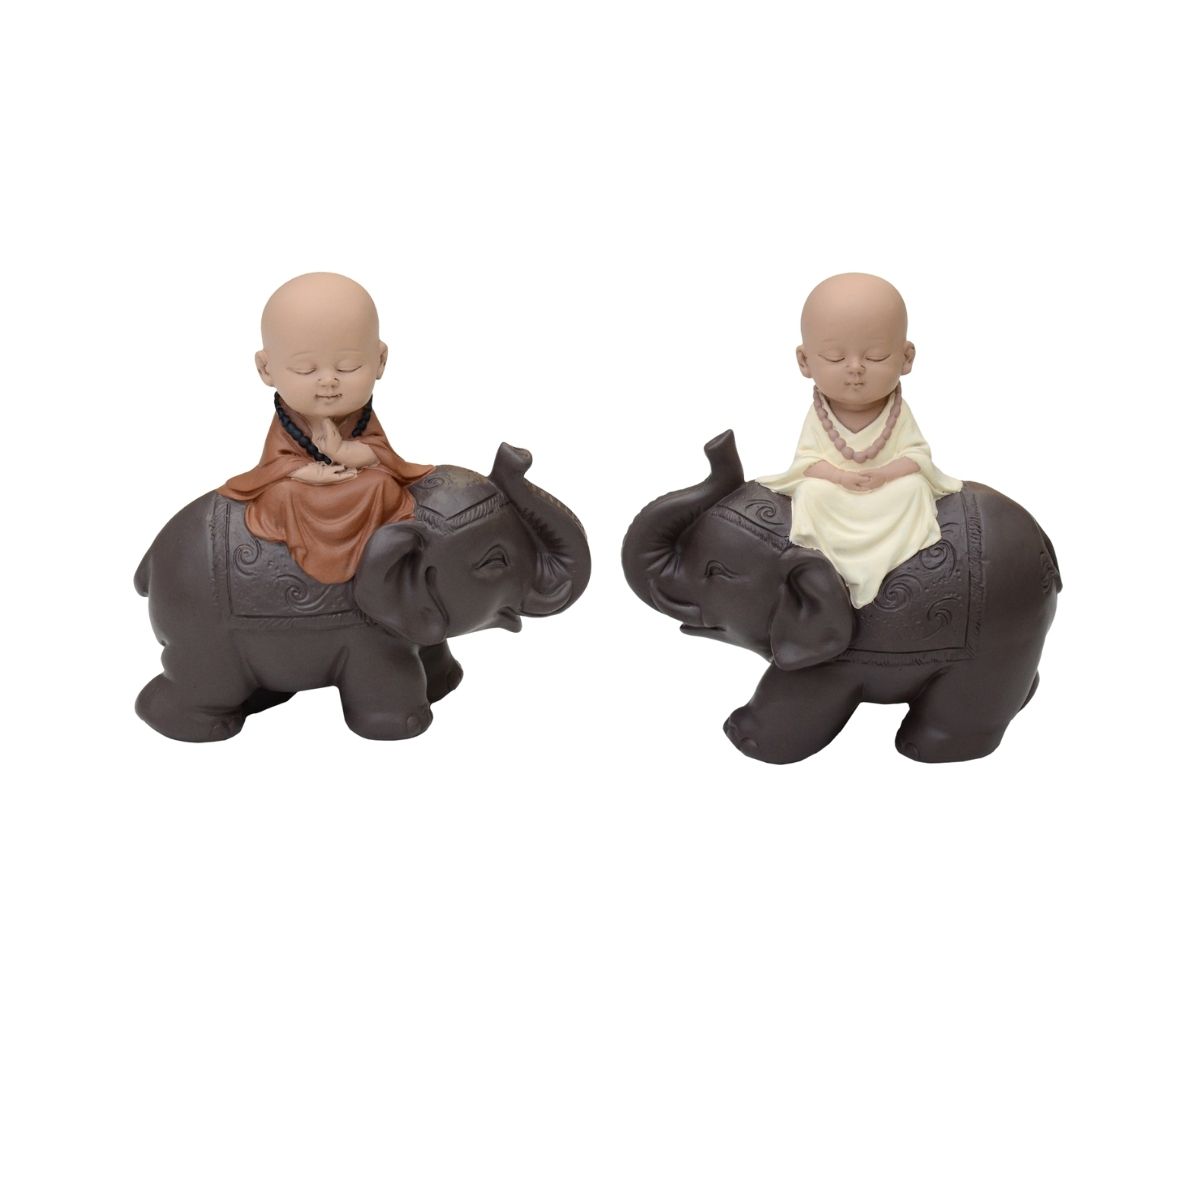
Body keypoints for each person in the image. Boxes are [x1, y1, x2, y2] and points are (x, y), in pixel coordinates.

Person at [758, 273, 961, 608]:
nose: (855, 368)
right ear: (804, 361)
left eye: (876, 356)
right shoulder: (819, 414)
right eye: (835, 357)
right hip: (835, 496)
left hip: (887, 495)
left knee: (914, 489)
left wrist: (885, 474)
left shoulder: (898, 411)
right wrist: (839, 477)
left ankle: (897, 567)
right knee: (810, 493)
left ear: (906, 357)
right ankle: (827, 573)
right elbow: (807, 463)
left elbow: (917, 457)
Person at [219, 273, 433, 584]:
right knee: (280, 495)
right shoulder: (288, 418)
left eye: (348, 367)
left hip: (358, 486)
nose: (329, 380)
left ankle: (379, 559)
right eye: (305, 369)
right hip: (300, 495)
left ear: (380, 360)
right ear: (266, 369)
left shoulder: (360, 415)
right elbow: (274, 465)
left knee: (384, 486)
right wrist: (311, 473)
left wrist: (344, 451)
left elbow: (381, 455)